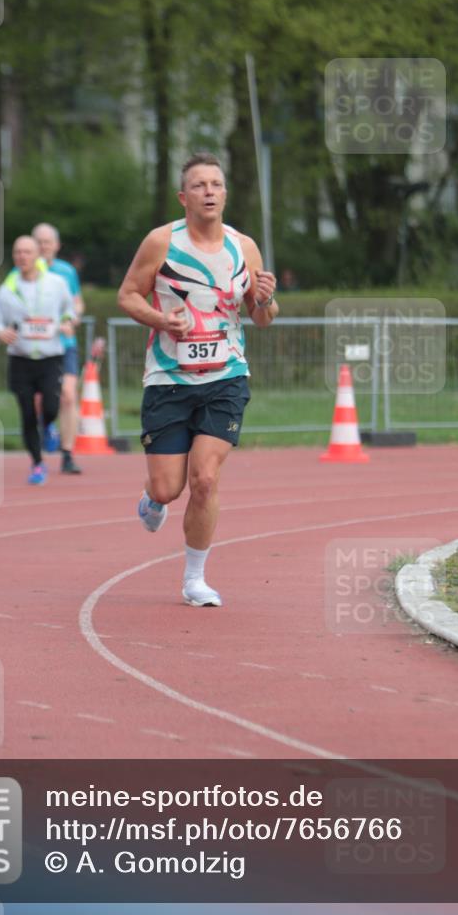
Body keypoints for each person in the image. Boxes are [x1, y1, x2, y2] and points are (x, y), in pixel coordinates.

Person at [117, 152, 278, 607]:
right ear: (183, 197)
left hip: (226, 376)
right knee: (169, 488)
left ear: (225, 194)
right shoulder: (161, 243)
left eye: (217, 184)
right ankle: (152, 500)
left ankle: (194, 579)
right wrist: (160, 320)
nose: (209, 192)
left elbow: (261, 318)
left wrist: (265, 300)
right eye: (200, 185)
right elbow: (127, 295)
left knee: (204, 479)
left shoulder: (243, 247)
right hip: (168, 379)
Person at [0, 236, 75, 485]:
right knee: (26, 412)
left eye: (27, 252)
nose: (22, 257)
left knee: (51, 406)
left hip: (50, 356)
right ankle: (37, 463)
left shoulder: (56, 284)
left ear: (37, 255)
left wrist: (68, 322)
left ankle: (47, 426)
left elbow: (70, 310)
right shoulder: (6, 290)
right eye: (17, 253)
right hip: (20, 359)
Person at [31, 223, 84, 475]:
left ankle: (67, 453)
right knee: (39, 399)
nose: (43, 247)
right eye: (38, 242)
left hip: (64, 345)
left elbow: (76, 304)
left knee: (69, 395)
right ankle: (46, 429)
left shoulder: (66, 272)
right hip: (35, 346)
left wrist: (71, 320)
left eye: (47, 242)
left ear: (56, 245)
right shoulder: (23, 272)